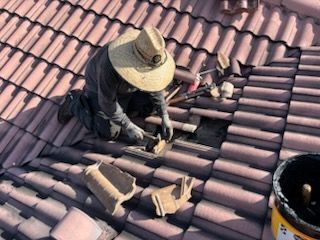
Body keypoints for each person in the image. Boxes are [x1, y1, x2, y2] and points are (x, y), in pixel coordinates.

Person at [57, 26, 175, 142]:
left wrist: (164, 115)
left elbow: (153, 84)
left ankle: (124, 109)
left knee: (151, 107)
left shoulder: (148, 53)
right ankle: (74, 103)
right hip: (100, 91)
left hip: (127, 89)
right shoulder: (109, 66)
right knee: (108, 132)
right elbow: (107, 102)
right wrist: (128, 125)